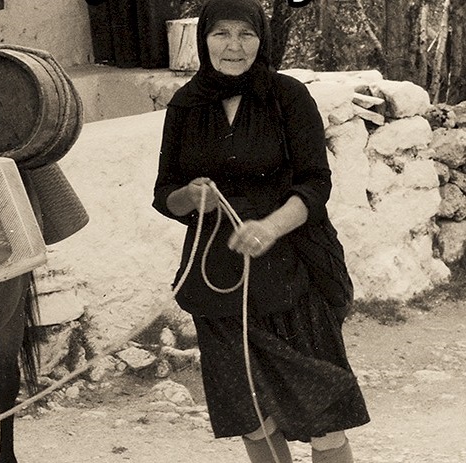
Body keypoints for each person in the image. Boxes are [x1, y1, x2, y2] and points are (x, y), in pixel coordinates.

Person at [152, 0, 370, 462]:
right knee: (252, 417)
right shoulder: (186, 105)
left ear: (262, 39)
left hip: (295, 275)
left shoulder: (287, 96)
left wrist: (271, 227)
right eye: (221, 34)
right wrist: (191, 198)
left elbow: (316, 183)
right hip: (219, 281)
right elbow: (164, 194)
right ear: (203, 38)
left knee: (324, 417)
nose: (234, 46)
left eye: (245, 34)